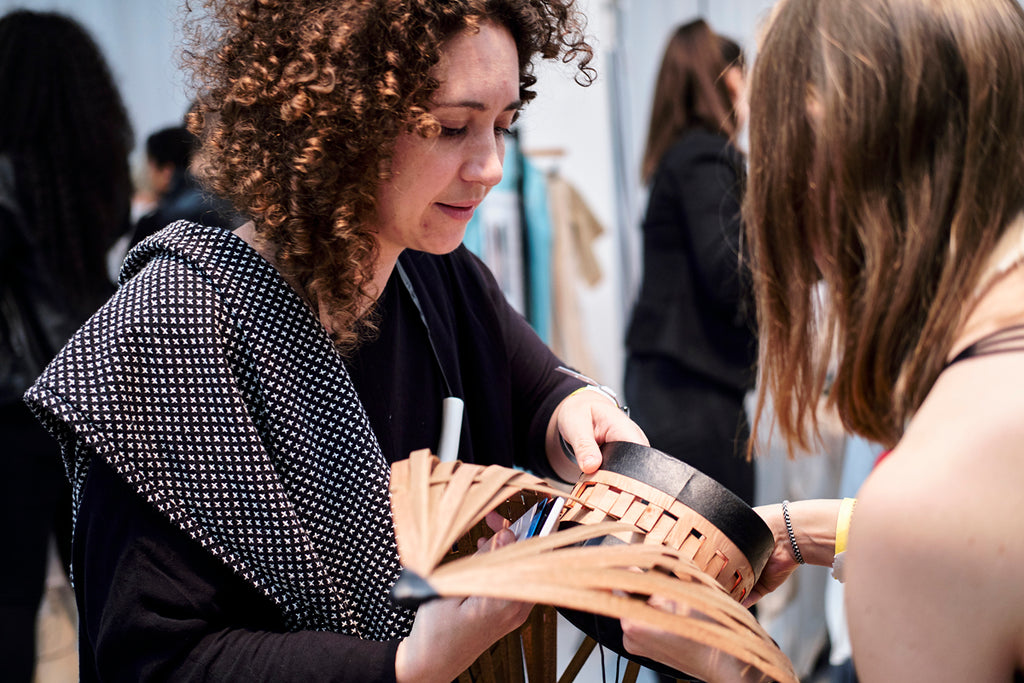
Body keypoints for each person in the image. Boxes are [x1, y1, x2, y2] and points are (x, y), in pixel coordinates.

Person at [24, 1, 647, 681]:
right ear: (342, 118)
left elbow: (536, 391)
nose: (491, 166)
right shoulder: (169, 333)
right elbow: (154, 659)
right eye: (451, 127)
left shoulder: (436, 274)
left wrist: (574, 409)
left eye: (502, 127)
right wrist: (407, 665)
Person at [621, 0, 1024, 681]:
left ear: (820, 157)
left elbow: (942, 536)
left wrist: (734, 665)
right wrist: (831, 527)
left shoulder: (929, 500)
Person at [0, 10, 133, 682]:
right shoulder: (95, 161)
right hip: (88, 393)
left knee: (10, 597)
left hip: (13, 411)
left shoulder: (6, 177)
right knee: (100, 593)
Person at [623, 19, 757, 505]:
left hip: (668, 387)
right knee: (719, 563)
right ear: (726, 81)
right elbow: (730, 271)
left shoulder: (678, 159)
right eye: (746, 83)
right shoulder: (705, 156)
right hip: (694, 397)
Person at [128, 124, 241, 250]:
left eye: (150, 167)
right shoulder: (227, 209)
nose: (149, 175)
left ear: (166, 171)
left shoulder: (156, 223)